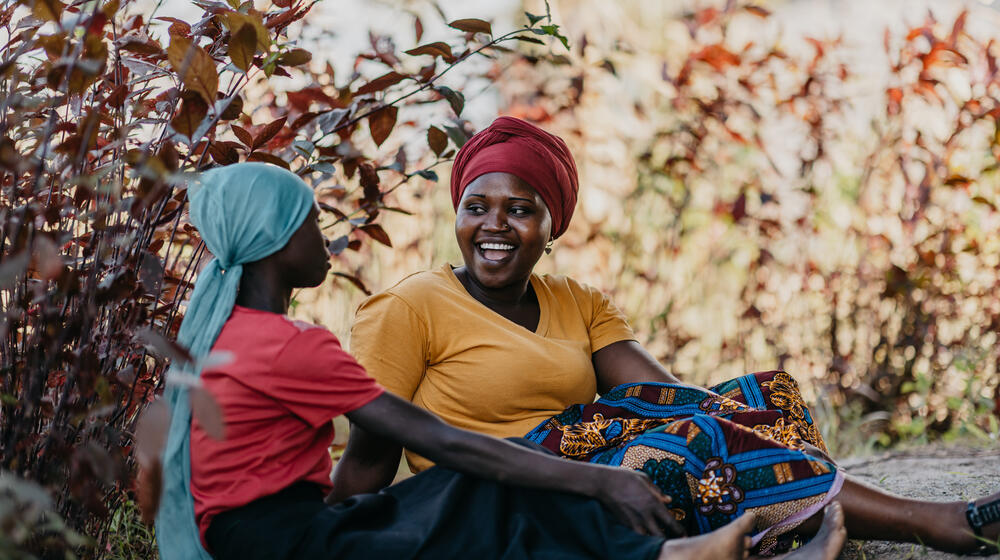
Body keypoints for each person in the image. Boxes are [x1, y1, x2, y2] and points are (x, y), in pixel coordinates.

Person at [343, 116, 1000, 555]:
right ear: (456, 212)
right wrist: (335, 534)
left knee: (766, 392)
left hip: (599, 468)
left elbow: (661, 395)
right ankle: (928, 521)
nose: (494, 226)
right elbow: (369, 454)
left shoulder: (574, 300)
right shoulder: (410, 304)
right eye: (476, 207)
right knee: (706, 432)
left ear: (553, 226)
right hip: (511, 491)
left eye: (520, 209)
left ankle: (784, 526)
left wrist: (734, 419)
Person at [152, 162, 848, 560]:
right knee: (491, 485)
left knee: (480, 495)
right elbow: (436, 440)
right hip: (295, 545)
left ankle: (691, 553)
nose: (322, 237)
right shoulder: (292, 344)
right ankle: (676, 557)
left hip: (262, 539)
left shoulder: (216, 333)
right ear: (274, 242)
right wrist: (598, 484)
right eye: (308, 222)